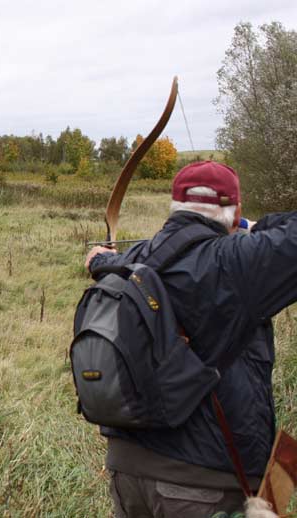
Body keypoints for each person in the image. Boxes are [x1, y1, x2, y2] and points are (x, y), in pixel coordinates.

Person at [84, 161, 297, 517]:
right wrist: (256, 227)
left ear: (175, 207)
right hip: (201, 485)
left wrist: (99, 261)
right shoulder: (237, 261)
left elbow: (103, 261)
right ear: (236, 212)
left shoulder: (132, 259)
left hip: (128, 473)